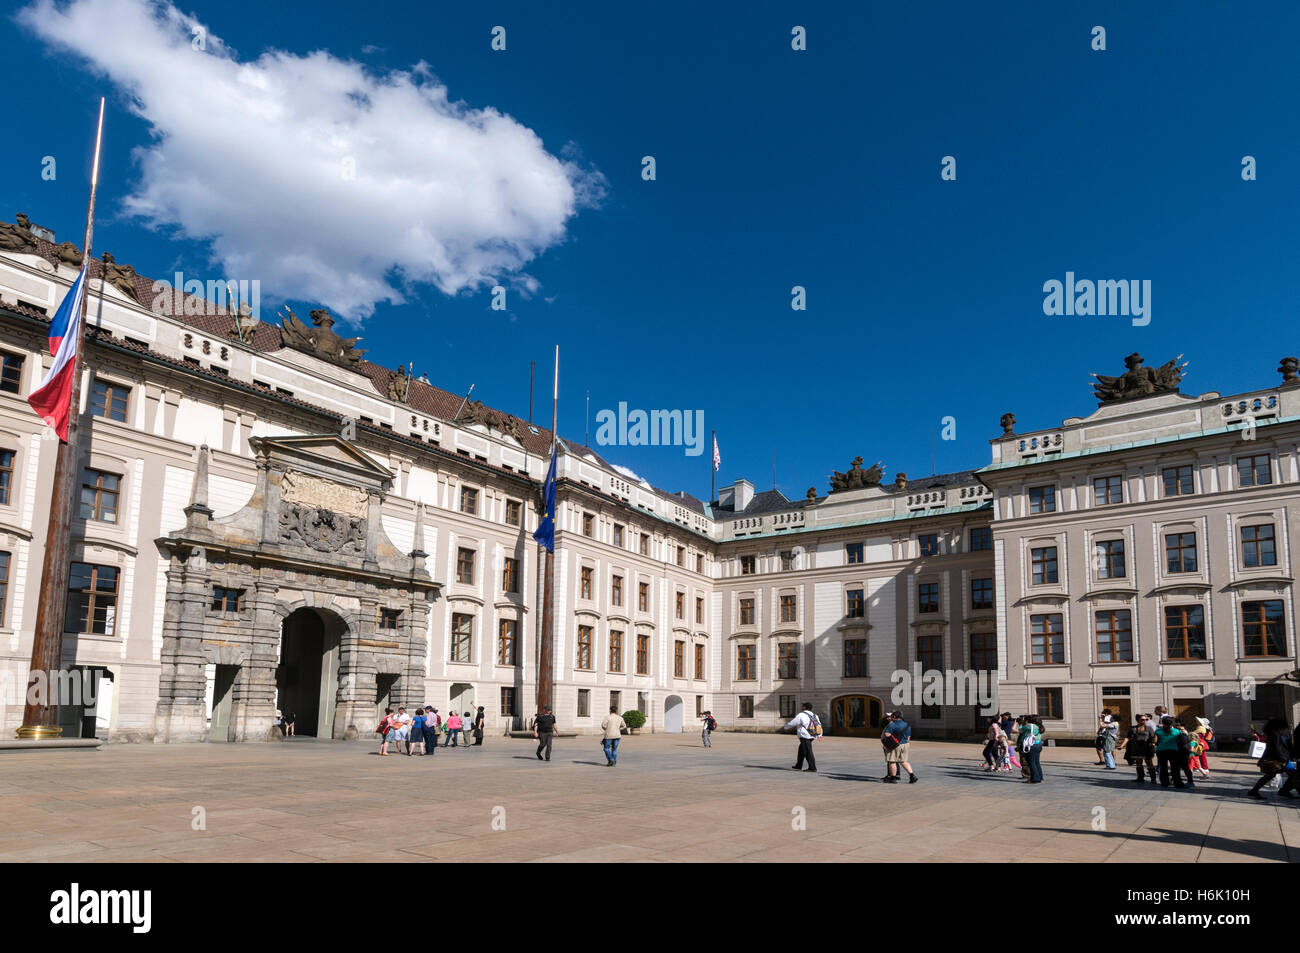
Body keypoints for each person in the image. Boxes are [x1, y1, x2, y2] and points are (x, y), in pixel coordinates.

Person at [1248, 717, 1297, 800]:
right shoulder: (1277, 734)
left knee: (1271, 775)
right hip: (1280, 758)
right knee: (1294, 775)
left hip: (1278, 758)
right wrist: (1283, 758)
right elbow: (1278, 747)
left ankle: (1254, 790)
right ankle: (1284, 791)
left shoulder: (1276, 733)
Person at [782, 702, 820, 772]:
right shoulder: (814, 715)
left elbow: (793, 722)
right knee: (801, 750)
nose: (801, 707)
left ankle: (812, 768)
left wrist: (786, 727)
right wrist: (819, 735)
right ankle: (798, 765)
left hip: (805, 736)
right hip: (812, 735)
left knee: (808, 752)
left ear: (804, 707)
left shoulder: (801, 715)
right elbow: (818, 725)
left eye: (802, 706)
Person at [882, 710, 917, 783]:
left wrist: (891, 741)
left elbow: (887, 734)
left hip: (895, 745)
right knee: (903, 761)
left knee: (892, 761)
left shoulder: (892, 724)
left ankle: (893, 778)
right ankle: (912, 776)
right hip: (906, 744)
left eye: (892, 716)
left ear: (894, 716)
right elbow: (908, 737)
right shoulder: (907, 725)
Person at [1122, 714, 1156, 784]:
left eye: (1146, 720)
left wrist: (1153, 744)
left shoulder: (1149, 728)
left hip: (1146, 748)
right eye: (1142, 720)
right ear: (1138, 720)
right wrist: (1122, 745)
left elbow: (1153, 737)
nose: (1144, 721)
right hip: (1136, 748)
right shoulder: (1133, 728)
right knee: (1138, 763)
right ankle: (1140, 778)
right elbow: (1127, 737)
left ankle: (1153, 779)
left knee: (1149, 763)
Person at [1153, 715, 1186, 789]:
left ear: (1163, 723)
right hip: (1173, 751)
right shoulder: (1177, 731)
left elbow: (1155, 741)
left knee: (1163, 767)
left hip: (1161, 751)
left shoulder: (1158, 731)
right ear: (1172, 723)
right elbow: (1181, 741)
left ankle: (1164, 782)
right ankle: (1177, 782)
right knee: (1175, 768)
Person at [1017, 714, 1044, 783]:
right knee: (1036, 762)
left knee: (1031, 763)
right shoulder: (1039, 726)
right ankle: (1040, 777)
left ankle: (1034, 779)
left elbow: (1017, 730)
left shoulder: (1029, 726)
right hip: (1038, 745)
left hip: (1031, 746)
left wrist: (1019, 723)